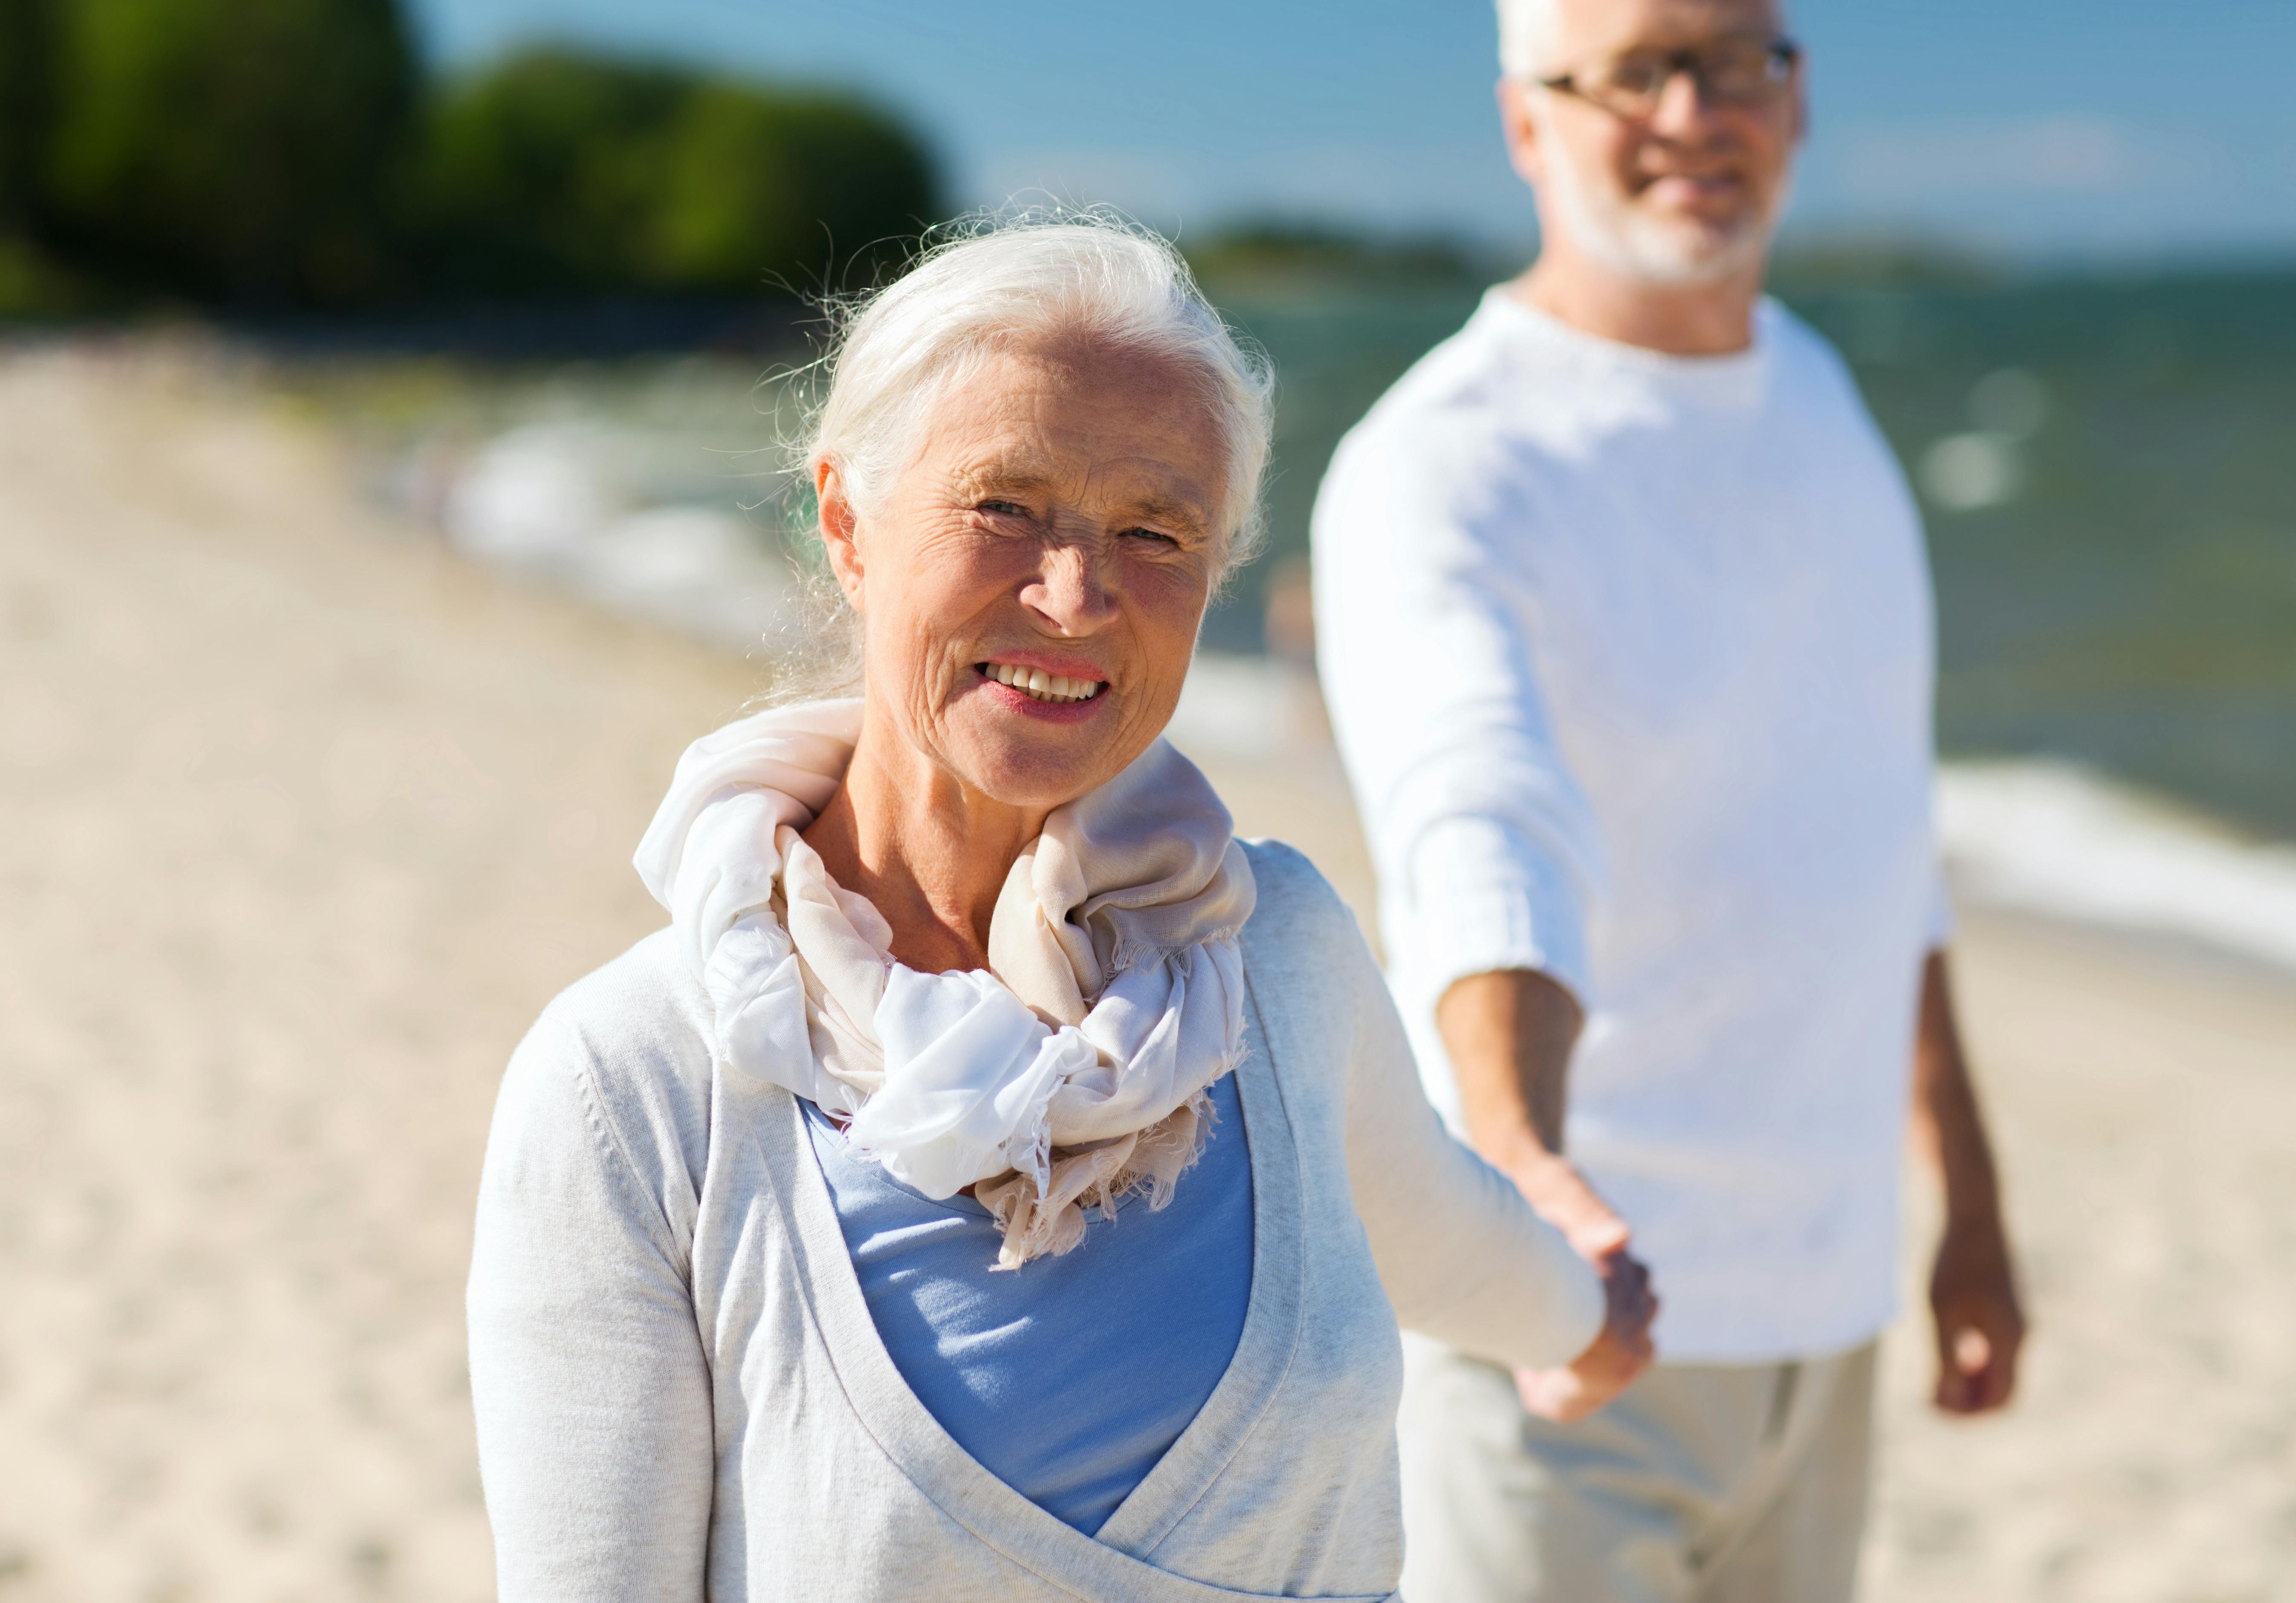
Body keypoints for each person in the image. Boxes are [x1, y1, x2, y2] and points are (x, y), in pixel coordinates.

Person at [466, 215, 1651, 1603]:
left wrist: (1589, 1312)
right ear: (848, 525)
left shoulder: (1273, 956)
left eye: (1155, 532)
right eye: (1006, 506)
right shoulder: (635, 1086)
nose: (1076, 597)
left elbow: (1436, 1227)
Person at [1310, 2, 2027, 1598]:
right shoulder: (1442, 460)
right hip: (1566, 1323)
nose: (1695, 109)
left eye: (1739, 60)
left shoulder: (1825, 405)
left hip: (1827, 1310)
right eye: (1635, 67)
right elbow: (1479, 827)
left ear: (1802, 95)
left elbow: (1879, 837)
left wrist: (1966, 1203)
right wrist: (1524, 1174)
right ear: (1524, 122)